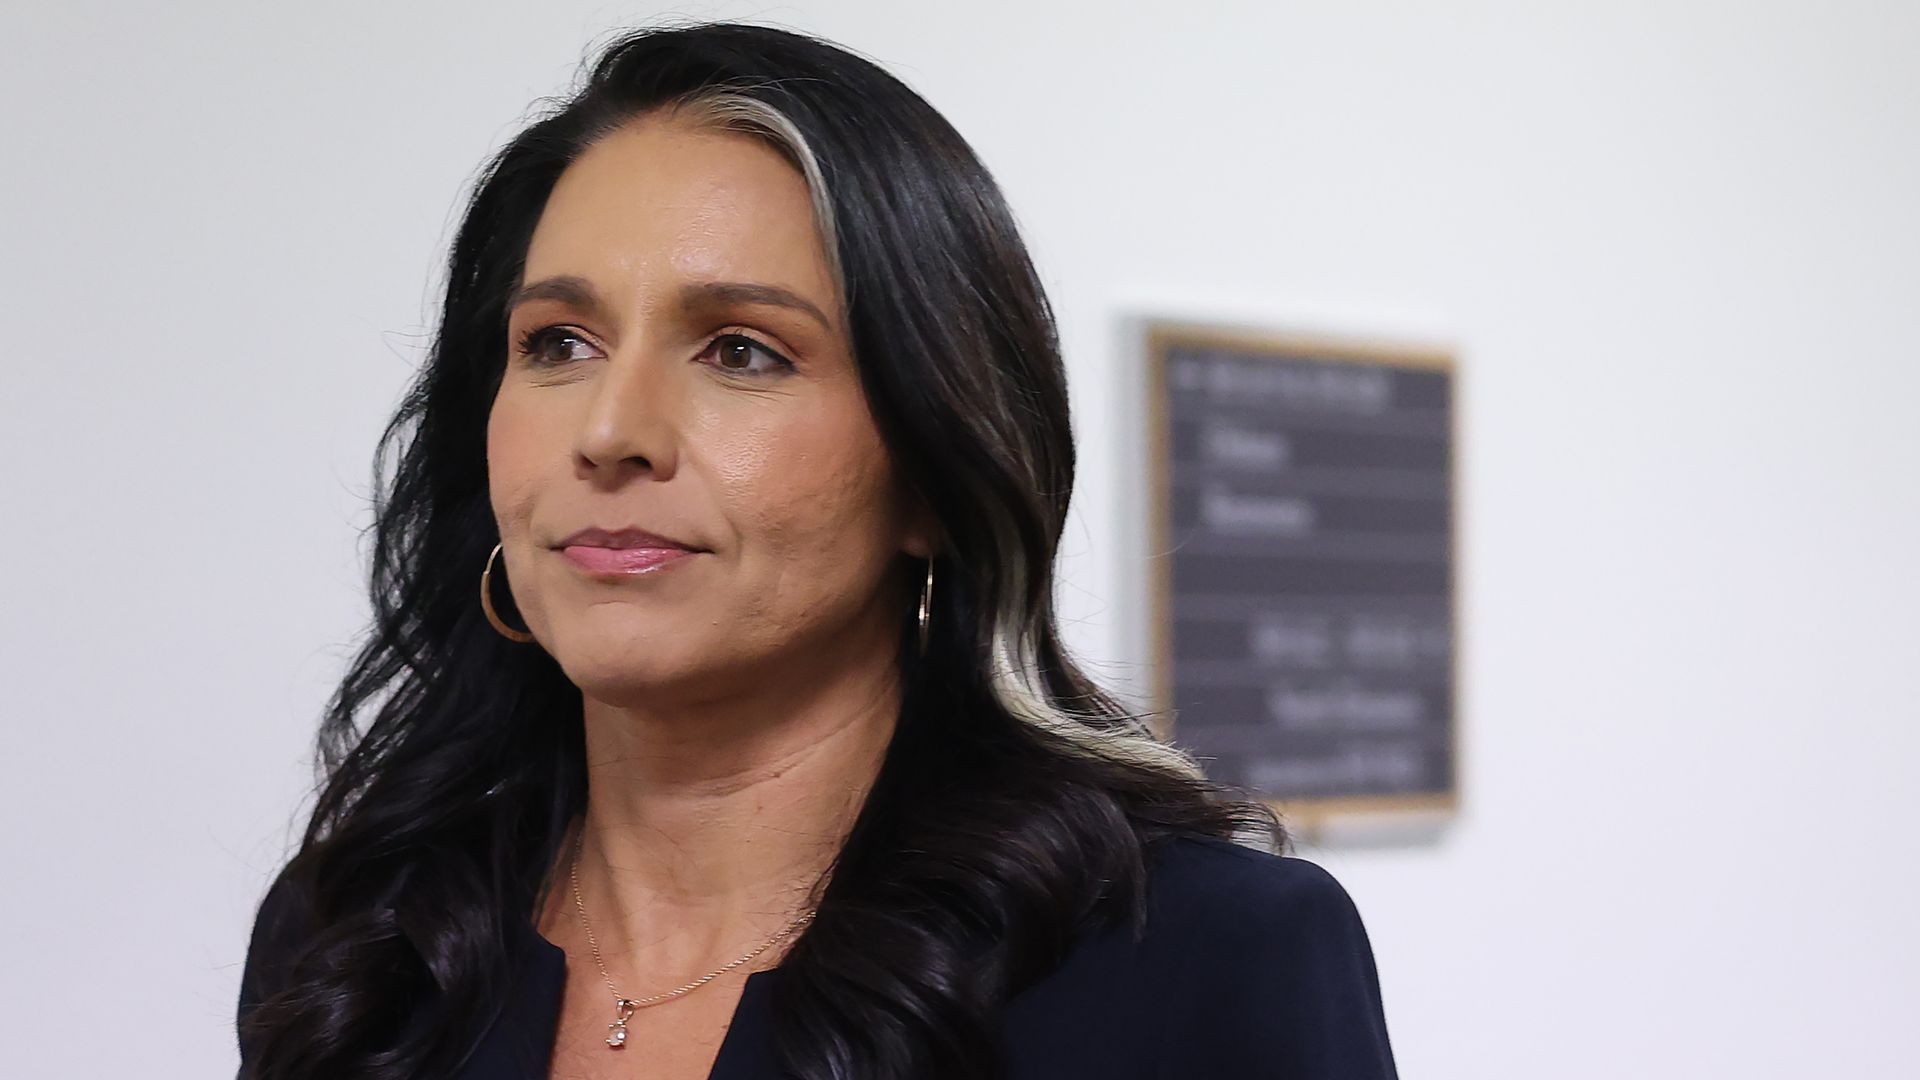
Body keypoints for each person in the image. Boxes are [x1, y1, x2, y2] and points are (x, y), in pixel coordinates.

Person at [234, 20, 1398, 1080]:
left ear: (934, 472)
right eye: (558, 343)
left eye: (741, 351)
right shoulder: (359, 943)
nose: (610, 433)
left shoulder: (1199, 959)